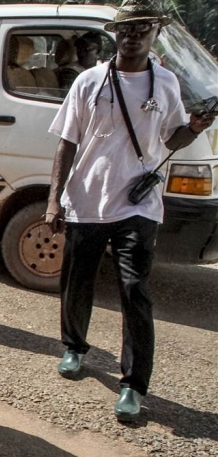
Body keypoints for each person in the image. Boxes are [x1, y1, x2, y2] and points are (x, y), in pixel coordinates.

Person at [45, 0, 215, 422]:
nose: (133, 35)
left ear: (155, 34)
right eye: (126, 29)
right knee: (77, 282)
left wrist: (192, 129)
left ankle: (134, 385)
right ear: (114, 34)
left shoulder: (166, 83)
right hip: (87, 200)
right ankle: (74, 347)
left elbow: (171, 140)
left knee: (135, 292)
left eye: (142, 28)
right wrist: (54, 198)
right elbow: (66, 142)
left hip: (138, 205)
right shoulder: (89, 81)